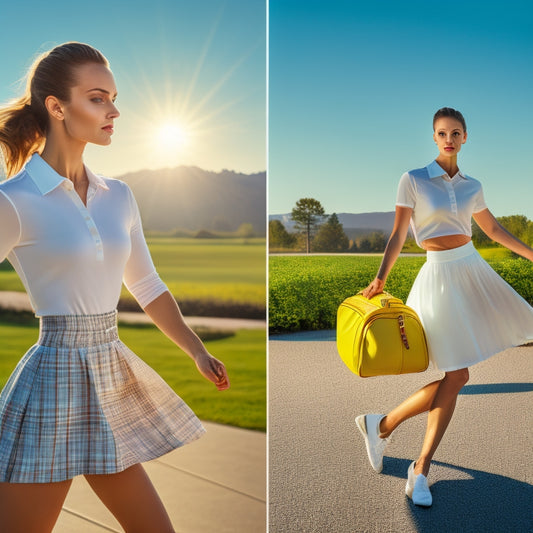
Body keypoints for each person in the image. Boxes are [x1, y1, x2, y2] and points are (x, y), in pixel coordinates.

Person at [0, 42, 230, 532]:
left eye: (113, 97)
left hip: (110, 373)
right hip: (52, 382)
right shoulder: (14, 200)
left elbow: (146, 284)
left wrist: (195, 350)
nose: (114, 110)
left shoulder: (119, 195)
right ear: (57, 107)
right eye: (98, 98)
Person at [355, 107, 533, 507]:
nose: (448, 138)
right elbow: (399, 232)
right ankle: (410, 458)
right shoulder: (413, 179)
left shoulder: (473, 186)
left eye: (455, 133)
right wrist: (381, 278)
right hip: (438, 278)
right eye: (441, 133)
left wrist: (531, 255)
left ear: (465, 137)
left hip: (472, 272)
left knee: (458, 376)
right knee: (458, 375)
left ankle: (386, 431)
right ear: (433, 138)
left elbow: (493, 230)